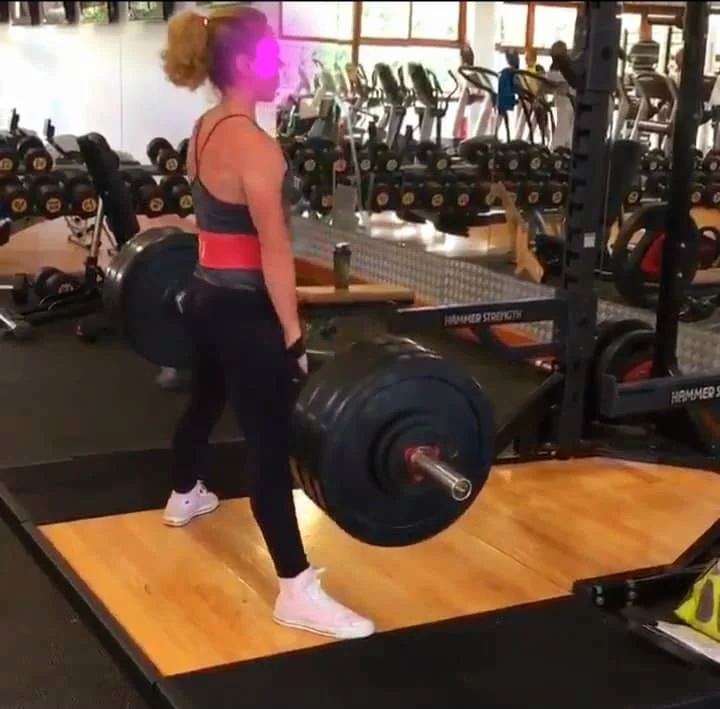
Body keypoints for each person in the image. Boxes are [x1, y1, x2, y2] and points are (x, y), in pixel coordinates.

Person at [160, 6, 375, 640]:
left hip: (203, 295)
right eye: (272, 56)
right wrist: (292, 335)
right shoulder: (256, 146)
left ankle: (183, 493)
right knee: (269, 443)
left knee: (205, 399)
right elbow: (274, 250)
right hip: (243, 310)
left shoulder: (204, 127)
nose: (280, 66)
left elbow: (216, 227)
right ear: (245, 63)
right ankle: (294, 587)